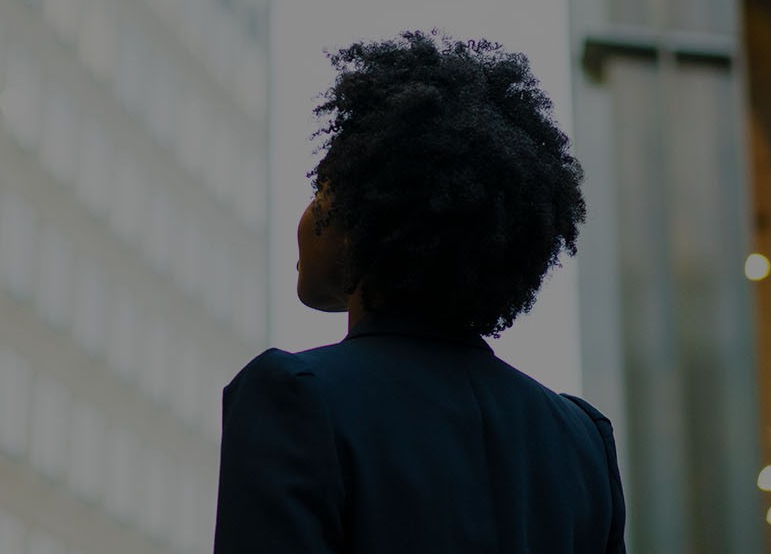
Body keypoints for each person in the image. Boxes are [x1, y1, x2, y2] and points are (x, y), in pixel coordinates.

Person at [214, 30, 625, 553]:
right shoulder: (581, 442)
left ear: (364, 211)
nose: (306, 214)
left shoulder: (295, 396)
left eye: (321, 188)